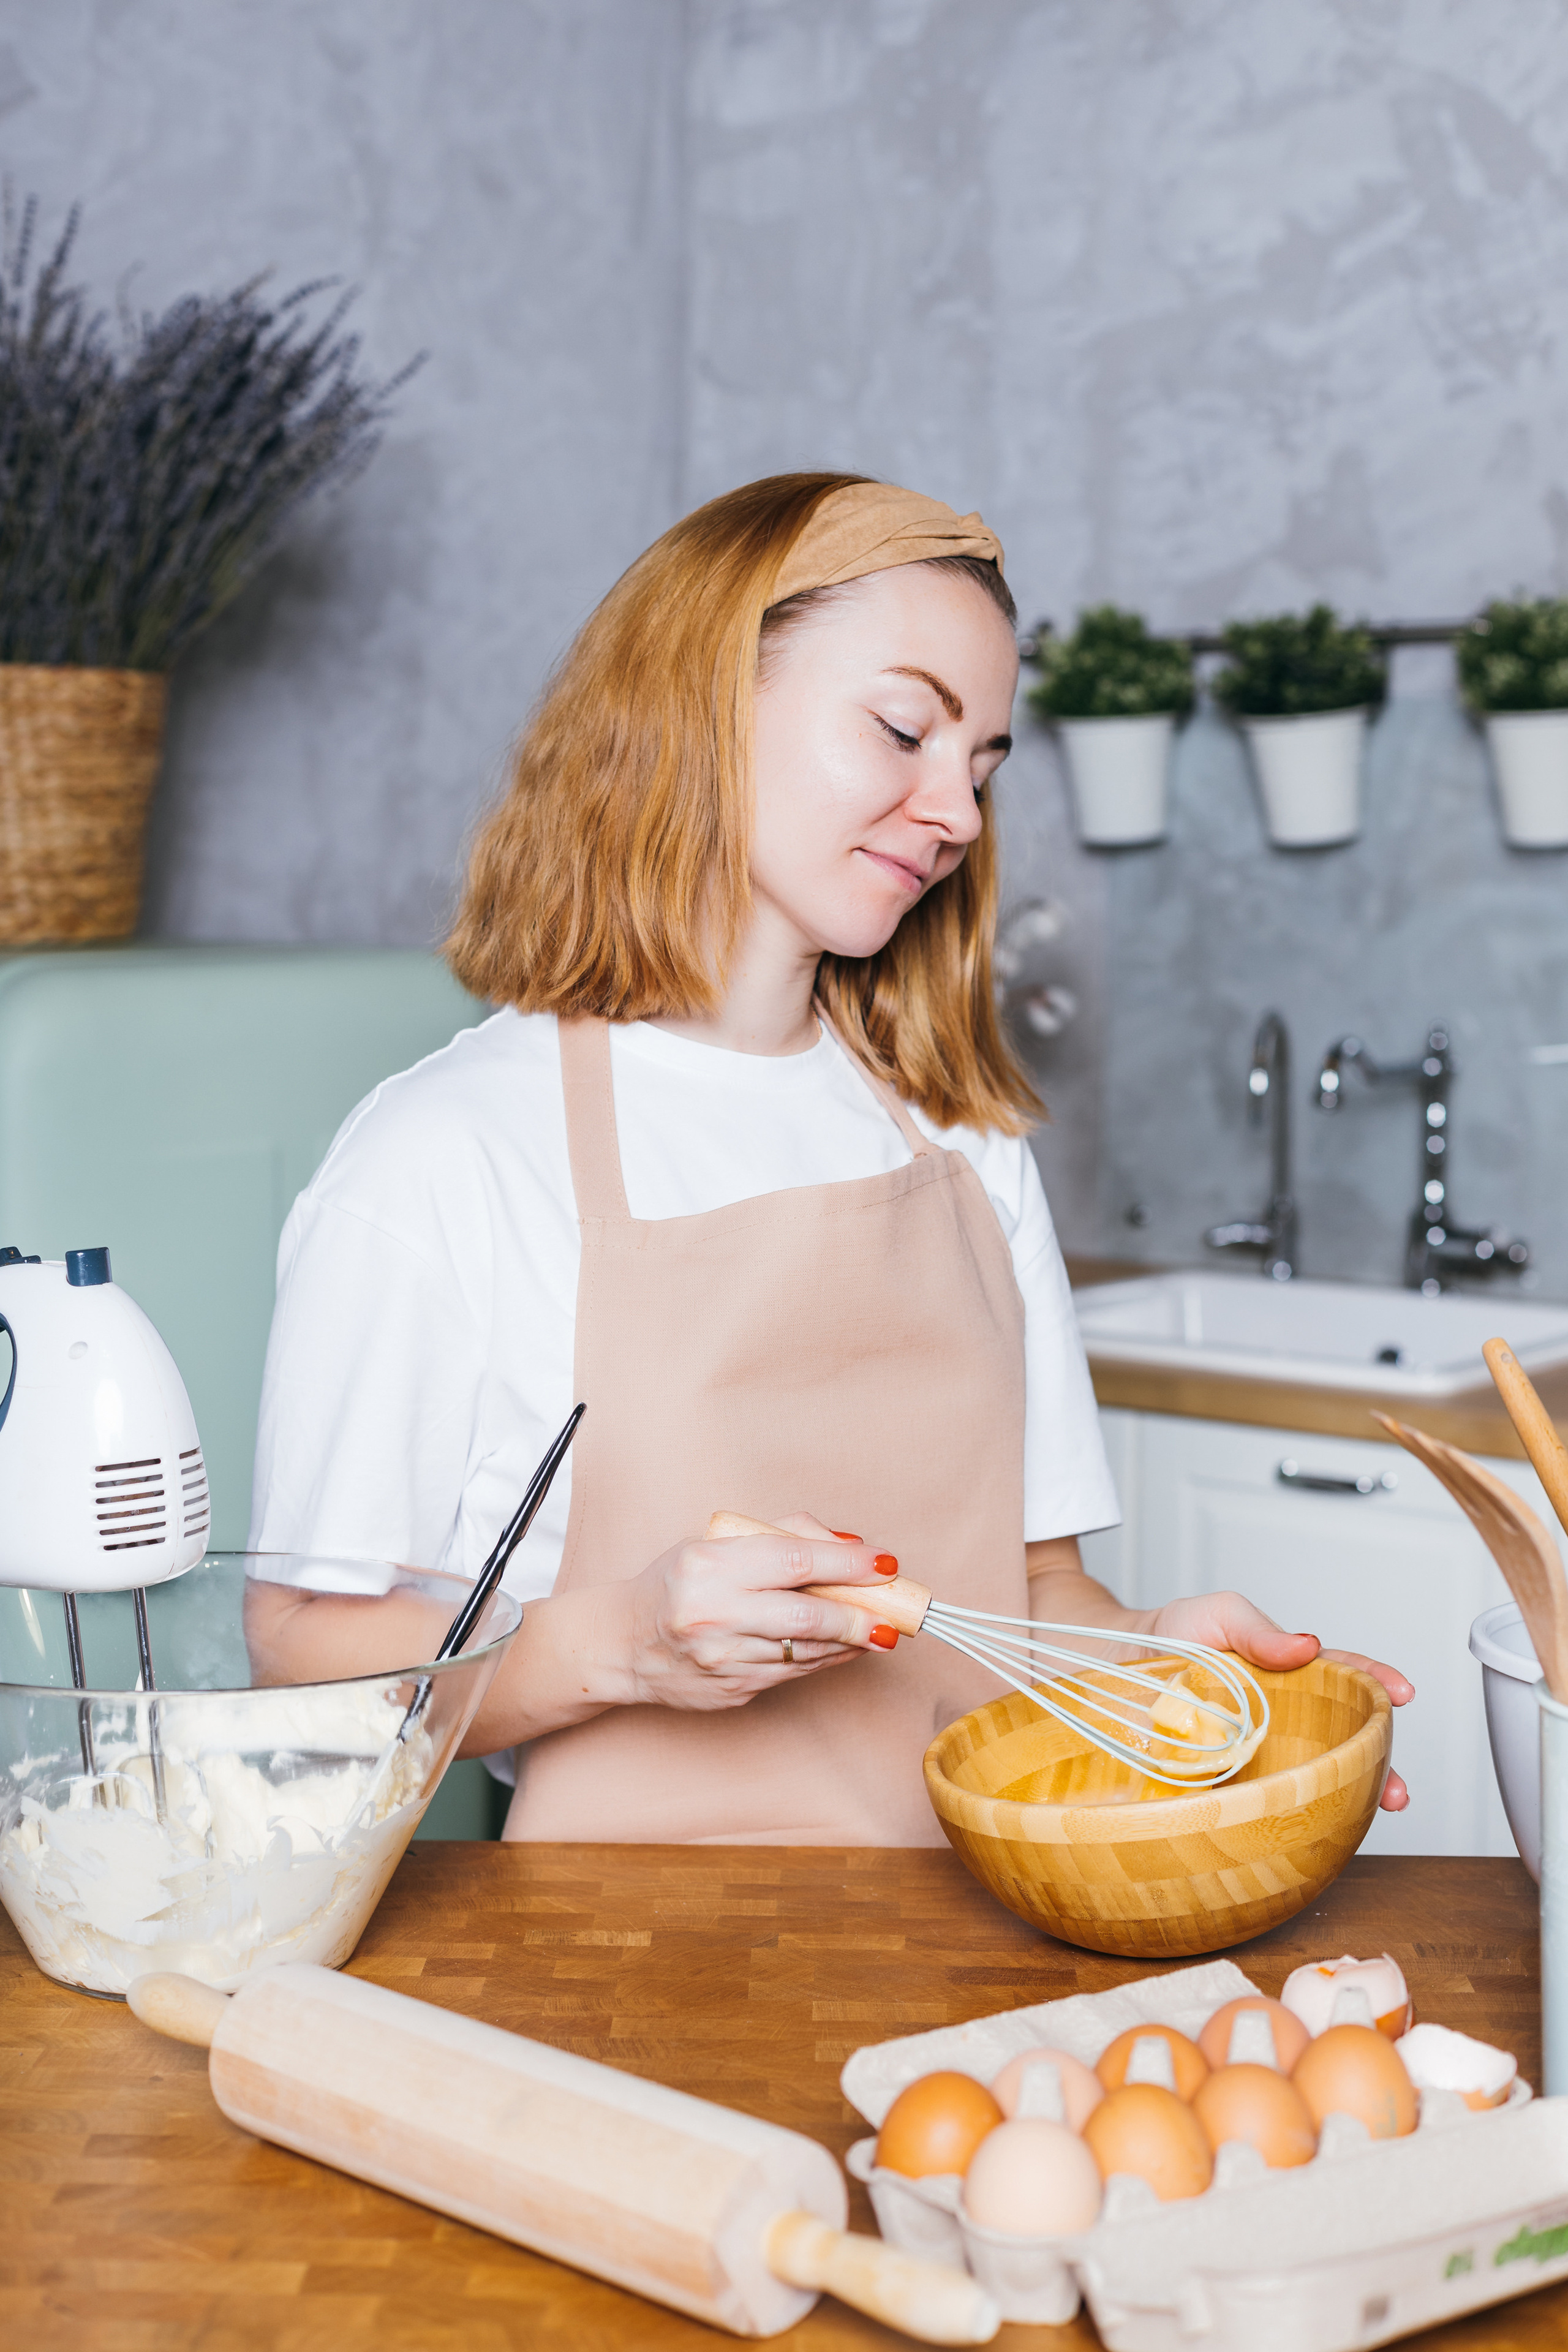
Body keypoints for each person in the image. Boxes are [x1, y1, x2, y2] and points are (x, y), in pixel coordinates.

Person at [249, 472, 1412, 1841]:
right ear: (700, 695)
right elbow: (302, 1659)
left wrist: (1162, 1662)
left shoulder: (963, 1140)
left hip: (978, 1924)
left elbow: (1033, 1594)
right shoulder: (445, 1157)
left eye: (981, 766)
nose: (957, 811)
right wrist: (629, 1645)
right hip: (613, 1946)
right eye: (904, 730)